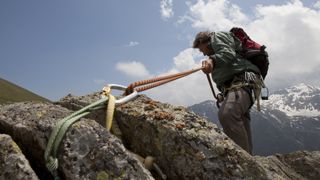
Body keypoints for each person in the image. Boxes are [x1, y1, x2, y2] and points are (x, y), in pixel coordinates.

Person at [193, 31, 263, 154]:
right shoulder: (216, 49)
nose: (203, 53)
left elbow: (227, 53)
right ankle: (249, 159)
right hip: (240, 84)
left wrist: (212, 61)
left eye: (201, 49)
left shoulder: (217, 37)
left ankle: (243, 162)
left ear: (202, 41)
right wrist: (223, 94)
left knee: (228, 114)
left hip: (243, 80)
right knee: (238, 119)